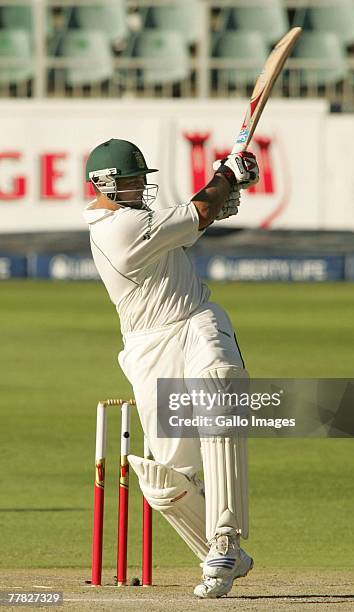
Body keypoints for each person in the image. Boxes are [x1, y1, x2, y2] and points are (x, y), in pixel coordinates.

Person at [84, 138, 259, 598]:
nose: (142, 186)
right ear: (103, 185)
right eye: (131, 180)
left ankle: (225, 536)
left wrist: (221, 193)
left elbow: (196, 220)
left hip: (196, 320)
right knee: (164, 482)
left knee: (218, 391)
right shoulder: (115, 230)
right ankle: (221, 555)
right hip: (150, 347)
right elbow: (199, 214)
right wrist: (225, 176)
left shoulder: (137, 219)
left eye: (144, 178)